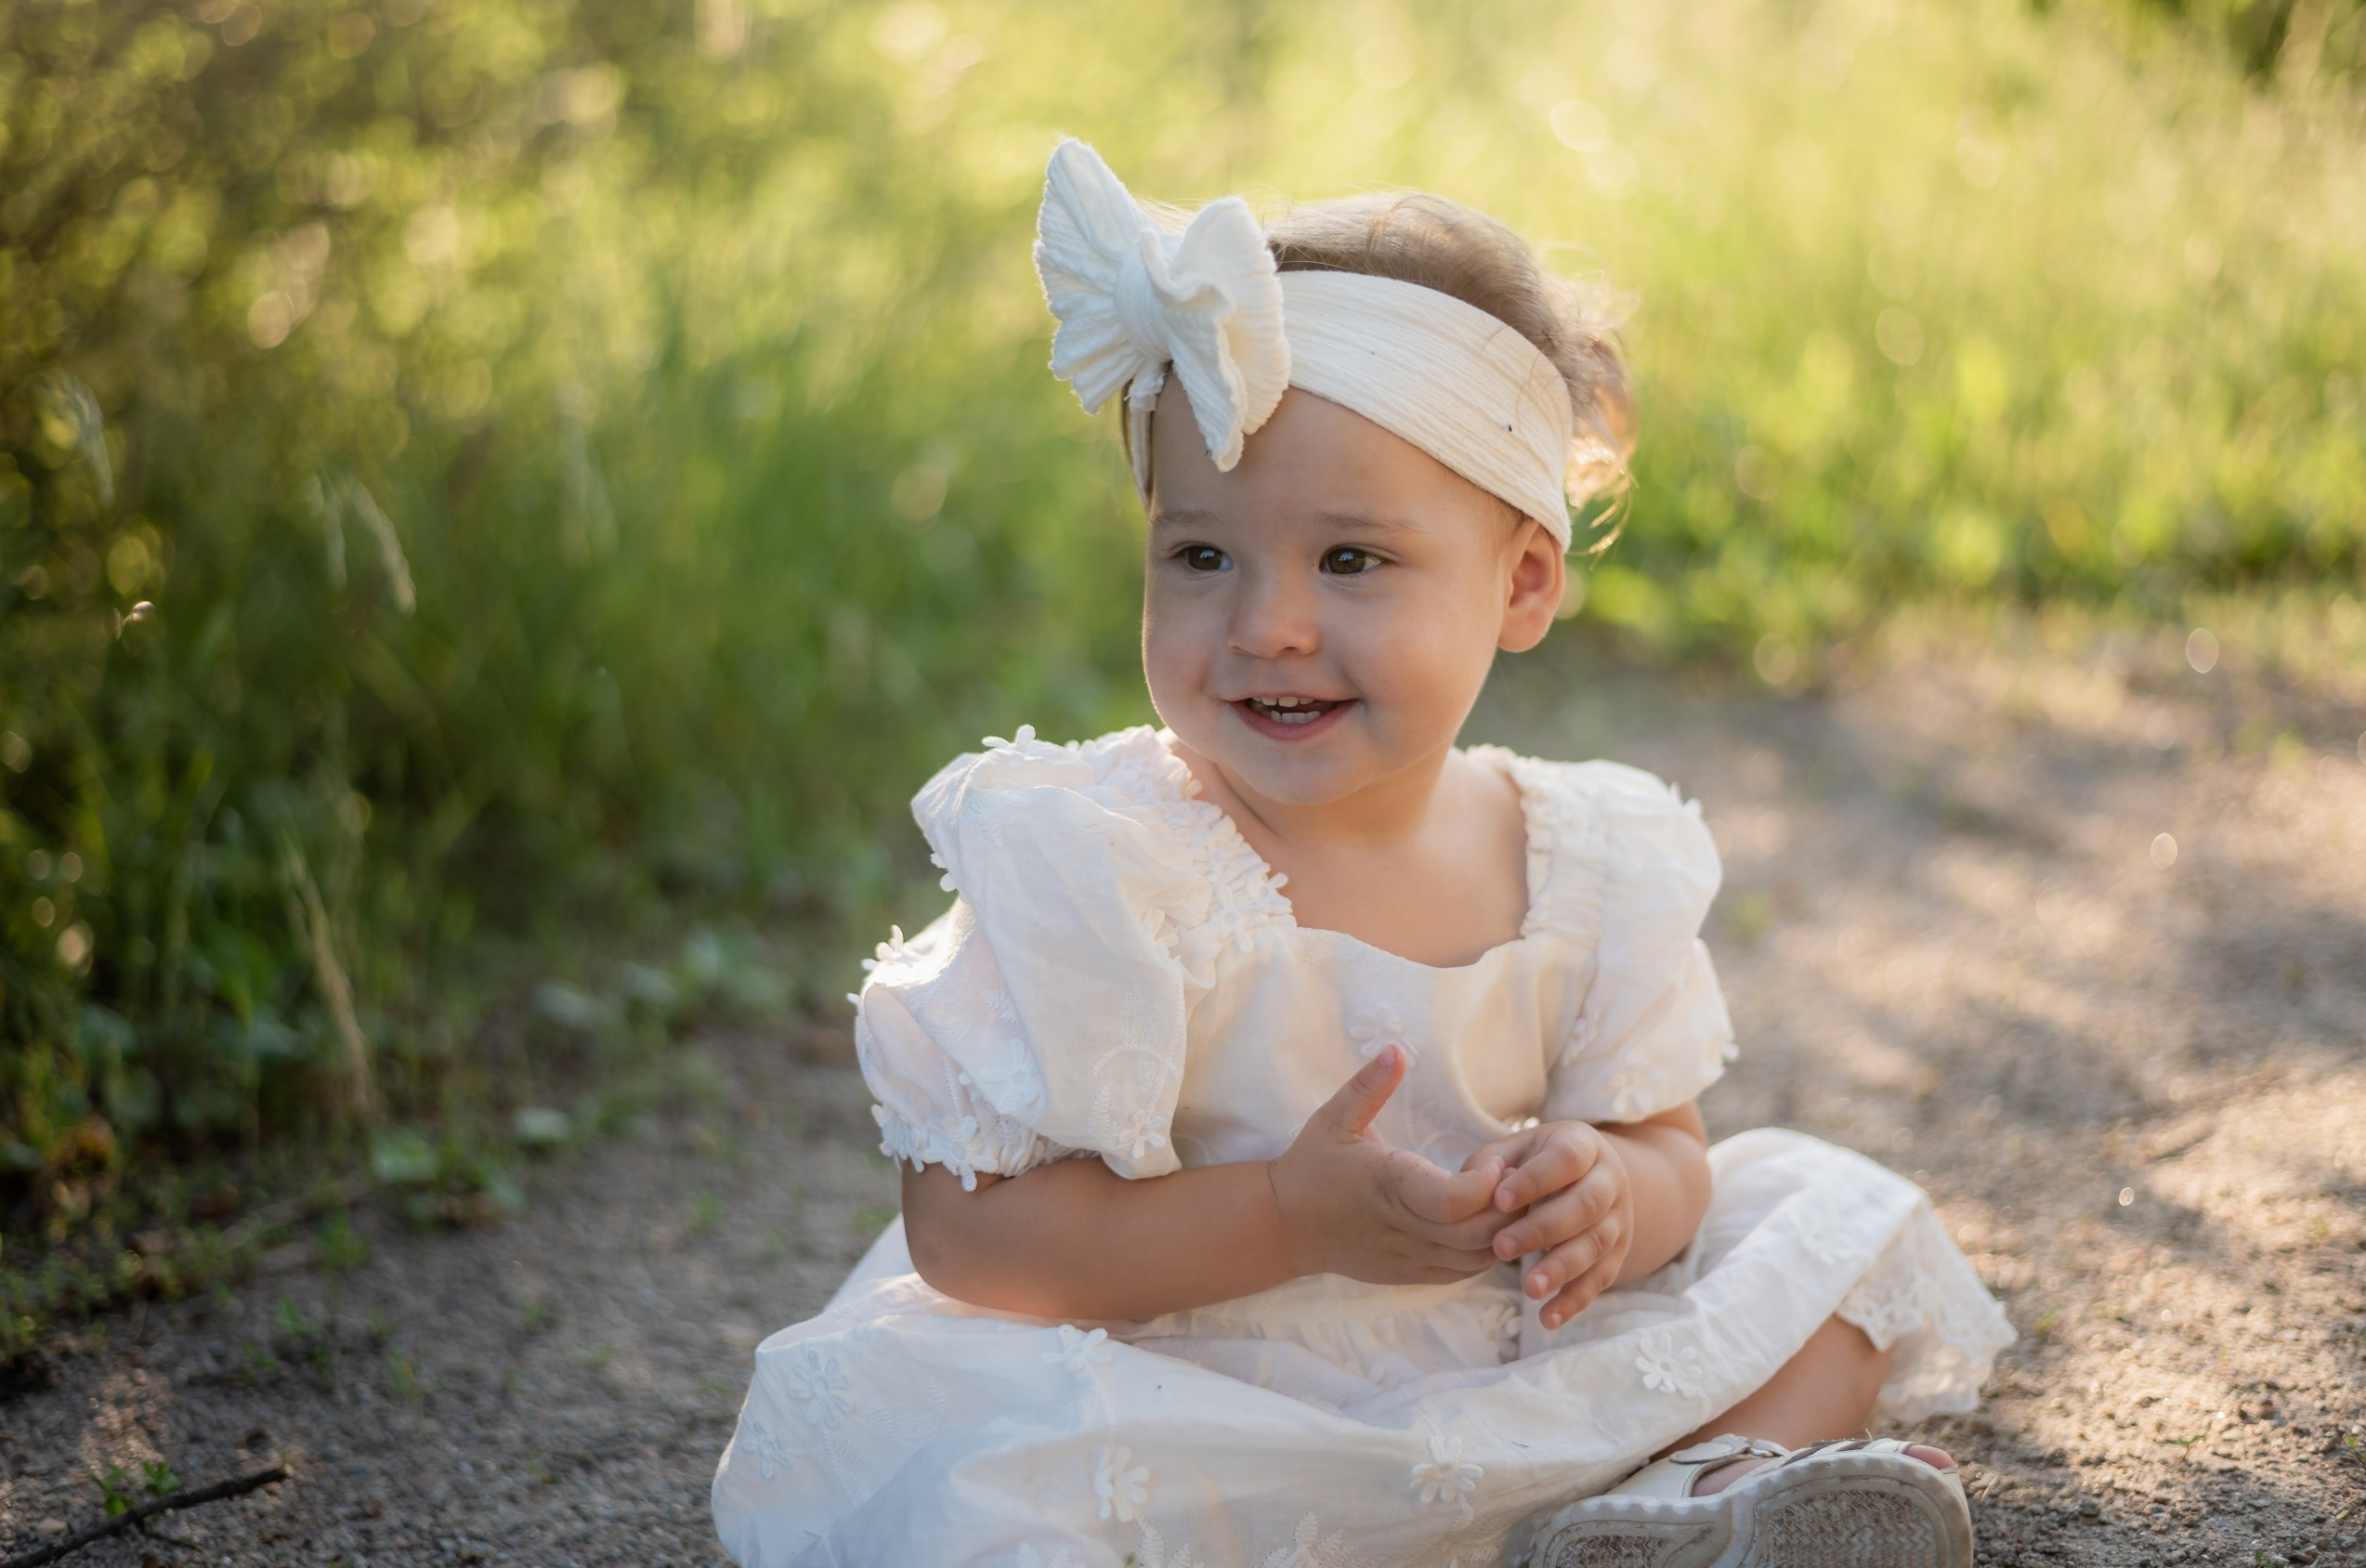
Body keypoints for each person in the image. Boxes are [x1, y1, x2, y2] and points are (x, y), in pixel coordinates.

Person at [711, 139, 2012, 1568]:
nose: (1266, 622)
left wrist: (1609, 1194)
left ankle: (1679, 1503)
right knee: (1005, 1495)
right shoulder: (1111, 860)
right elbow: (968, 1234)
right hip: (1206, 1405)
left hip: (1517, 1365)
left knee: (1838, 1227)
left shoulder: (1582, 854)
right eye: (1200, 555)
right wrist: (1282, 1213)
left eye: (1349, 561)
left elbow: (1668, 1143)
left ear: (1519, 582)